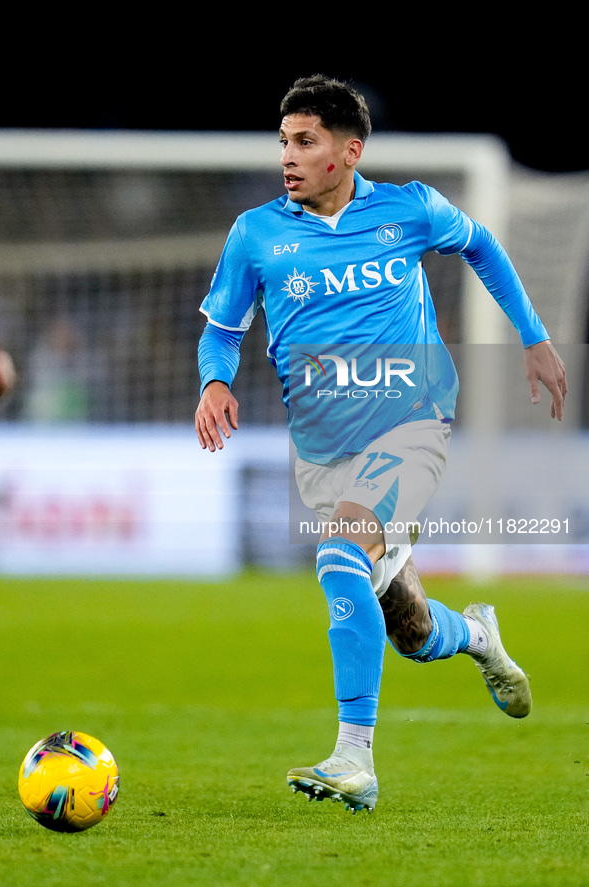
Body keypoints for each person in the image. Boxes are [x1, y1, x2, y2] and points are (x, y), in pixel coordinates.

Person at [195, 75, 567, 814]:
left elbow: (483, 246)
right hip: (323, 448)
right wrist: (214, 382)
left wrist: (533, 337)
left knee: (339, 555)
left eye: (305, 142)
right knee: (412, 629)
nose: (288, 157)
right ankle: (477, 635)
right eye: (283, 142)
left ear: (348, 150)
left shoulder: (409, 209)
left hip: (412, 419)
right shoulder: (256, 234)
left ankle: (353, 759)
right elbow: (222, 330)